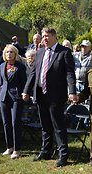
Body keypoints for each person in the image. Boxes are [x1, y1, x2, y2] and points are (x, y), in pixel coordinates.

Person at [22, 27, 77, 167]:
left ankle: (63, 155)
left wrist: (72, 92)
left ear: (54, 36)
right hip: (40, 94)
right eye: (43, 36)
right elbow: (33, 73)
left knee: (58, 126)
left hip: (56, 95)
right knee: (45, 125)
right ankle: (46, 151)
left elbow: (70, 74)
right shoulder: (40, 52)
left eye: (46, 36)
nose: (44, 38)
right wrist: (26, 90)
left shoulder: (64, 52)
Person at [0, 44, 27, 159]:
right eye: (7, 52)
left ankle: (17, 149)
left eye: (11, 52)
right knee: (6, 123)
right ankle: (9, 147)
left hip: (16, 97)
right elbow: (1, 84)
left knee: (15, 123)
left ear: (15, 54)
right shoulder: (2, 66)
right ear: (4, 54)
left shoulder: (20, 67)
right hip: (3, 97)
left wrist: (24, 93)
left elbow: (24, 83)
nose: (9, 54)